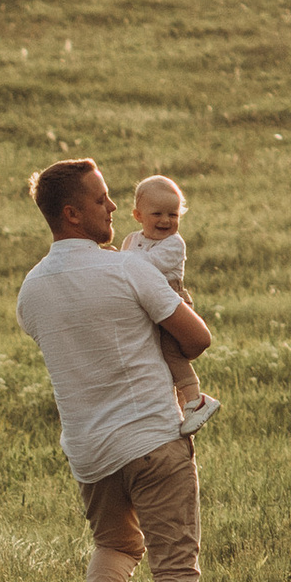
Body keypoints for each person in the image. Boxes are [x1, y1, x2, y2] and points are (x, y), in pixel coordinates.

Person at [17, 156, 215, 582]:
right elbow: (196, 340)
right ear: (72, 213)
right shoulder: (128, 268)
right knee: (176, 569)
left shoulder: (31, 291)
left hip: (89, 451)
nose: (112, 207)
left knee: (116, 543)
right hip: (153, 438)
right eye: (101, 199)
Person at [122, 174, 221, 433]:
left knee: (170, 353)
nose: (166, 221)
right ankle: (176, 408)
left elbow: (145, 268)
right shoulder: (132, 240)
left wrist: (115, 264)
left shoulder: (174, 244)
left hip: (172, 301)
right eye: (157, 214)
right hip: (146, 304)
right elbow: (125, 267)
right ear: (138, 215)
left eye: (173, 215)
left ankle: (196, 400)